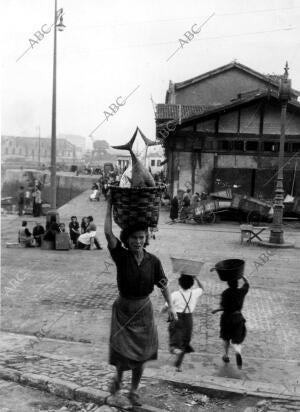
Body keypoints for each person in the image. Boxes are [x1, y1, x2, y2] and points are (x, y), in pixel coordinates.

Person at [104, 193, 177, 408]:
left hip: (143, 310)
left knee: (142, 354)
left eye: (141, 237)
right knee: (121, 351)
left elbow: (163, 284)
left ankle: (134, 390)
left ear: (146, 238)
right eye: (134, 237)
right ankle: (118, 379)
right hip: (123, 309)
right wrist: (109, 204)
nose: (138, 241)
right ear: (127, 240)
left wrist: (172, 307)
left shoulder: (153, 261)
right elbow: (108, 232)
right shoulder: (121, 256)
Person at [162, 273, 204, 371]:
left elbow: (165, 307)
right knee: (184, 343)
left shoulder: (175, 294)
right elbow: (202, 288)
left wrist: (162, 311)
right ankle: (178, 366)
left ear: (179, 283)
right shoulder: (195, 293)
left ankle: (176, 352)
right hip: (189, 320)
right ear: (192, 284)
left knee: (174, 344)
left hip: (176, 319)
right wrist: (196, 277)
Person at [212, 276, 249, 369]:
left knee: (225, 337)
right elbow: (247, 283)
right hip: (238, 317)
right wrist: (242, 276)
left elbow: (223, 306)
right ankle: (237, 351)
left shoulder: (225, 293)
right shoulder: (242, 291)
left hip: (226, 318)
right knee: (237, 338)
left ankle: (226, 355)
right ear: (237, 283)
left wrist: (217, 310)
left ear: (228, 284)